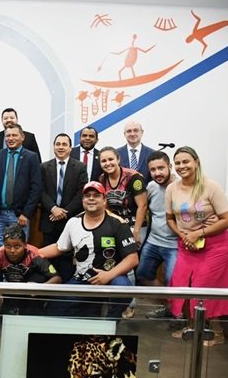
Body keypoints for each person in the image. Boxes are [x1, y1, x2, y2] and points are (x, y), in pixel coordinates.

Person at [165, 146, 228, 346]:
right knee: (182, 286)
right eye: (178, 163)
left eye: (186, 161)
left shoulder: (211, 186)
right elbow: (170, 218)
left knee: (204, 288)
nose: (182, 166)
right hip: (187, 245)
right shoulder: (172, 188)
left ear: (196, 162)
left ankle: (216, 332)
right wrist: (184, 235)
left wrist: (198, 233)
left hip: (215, 246)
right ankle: (192, 328)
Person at [40, 182, 139, 318]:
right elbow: (59, 247)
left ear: (104, 200)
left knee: (123, 288)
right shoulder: (73, 222)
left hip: (112, 277)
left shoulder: (118, 223)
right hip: (82, 279)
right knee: (53, 309)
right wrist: (32, 252)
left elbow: (132, 258)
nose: (91, 198)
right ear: (82, 200)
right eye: (87, 196)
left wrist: (108, 276)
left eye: (96, 195)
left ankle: (111, 322)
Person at [39, 133, 87, 282]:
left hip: (70, 221)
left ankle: (66, 290)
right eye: (58, 144)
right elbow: (40, 191)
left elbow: (81, 193)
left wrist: (64, 212)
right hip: (49, 220)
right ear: (54, 147)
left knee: (67, 261)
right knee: (48, 262)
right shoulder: (44, 167)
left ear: (70, 148)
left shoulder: (80, 167)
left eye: (64, 144)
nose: (61, 147)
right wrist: (53, 208)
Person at [0, 123, 42, 247]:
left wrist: (26, 213)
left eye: (14, 135)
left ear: (22, 137)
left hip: (19, 216)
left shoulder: (31, 157)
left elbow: (36, 188)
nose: (10, 138)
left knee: (17, 249)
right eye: (8, 136)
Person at [137, 151, 178, 319]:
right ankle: (169, 306)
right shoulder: (151, 187)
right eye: (153, 170)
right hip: (153, 241)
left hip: (175, 245)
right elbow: (143, 208)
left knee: (173, 281)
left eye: (161, 168)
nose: (157, 173)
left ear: (170, 166)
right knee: (142, 275)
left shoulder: (181, 186)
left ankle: (176, 312)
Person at [0, 224, 61, 315]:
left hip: (32, 291)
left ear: (25, 245)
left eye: (17, 247)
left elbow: (57, 278)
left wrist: (39, 288)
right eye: (8, 246)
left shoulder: (35, 255)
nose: (12, 250)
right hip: (11, 290)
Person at [98, 146, 148, 245]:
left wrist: (136, 231)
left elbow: (143, 206)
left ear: (118, 159)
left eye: (111, 159)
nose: (107, 163)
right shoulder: (102, 179)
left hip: (135, 224)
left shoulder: (133, 177)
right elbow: (106, 208)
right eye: (103, 161)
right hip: (116, 225)